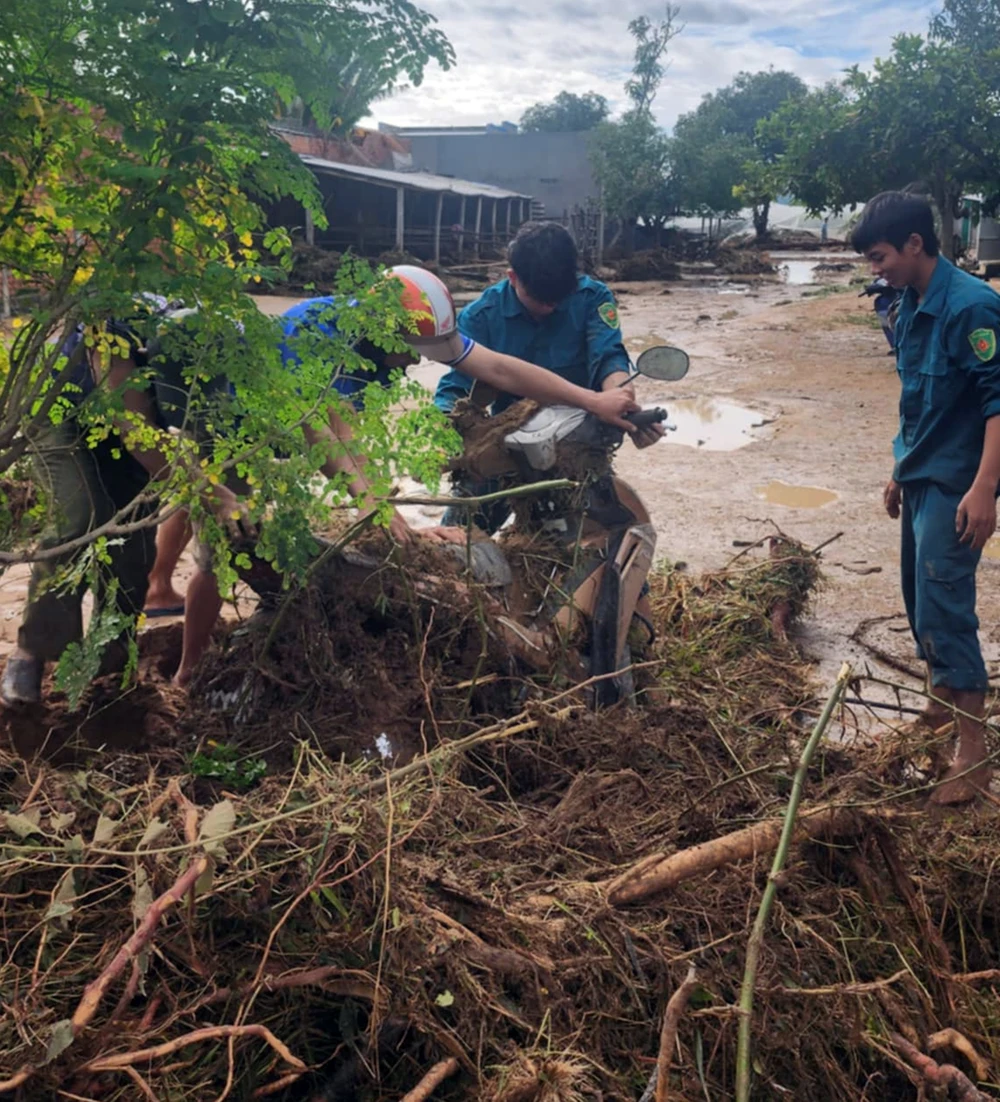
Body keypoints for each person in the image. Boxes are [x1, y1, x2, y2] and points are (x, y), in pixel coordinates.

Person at [170, 266, 645, 686]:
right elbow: (321, 433)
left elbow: (498, 368)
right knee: (222, 546)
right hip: (232, 429)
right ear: (386, 336)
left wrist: (592, 400)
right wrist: (373, 505)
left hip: (297, 426)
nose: (418, 362)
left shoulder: (383, 336)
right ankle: (187, 669)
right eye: (412, 352)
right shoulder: (315, 334)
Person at [0, 304, 239, 705]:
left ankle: (111, 666)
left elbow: (188, 437)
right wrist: (213, 495)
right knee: (80, 518)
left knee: (135, 543)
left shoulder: (217, 343)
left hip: (134, 423)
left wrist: (220, 492)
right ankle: (32, 651)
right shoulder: (114, 323)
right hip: (63, 413)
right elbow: (134, 429)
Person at [852, 190, 1000, 804]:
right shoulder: (909, 304)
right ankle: (940, 708)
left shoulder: (973, 308)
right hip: (921, 478)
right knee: (919, 601)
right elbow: (918, 400)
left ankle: (973, 753)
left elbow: (999, 403)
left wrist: (985, 489)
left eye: (880, 256)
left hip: (958, 486)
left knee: (945, 610)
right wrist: (899, 469)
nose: (876, 269)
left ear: (915, 244)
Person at [434, 221, 663, 531]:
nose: (549, 307)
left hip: (576, 449)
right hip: (506, 451)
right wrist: (444, 429)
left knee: (604, 543)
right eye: (539, 299)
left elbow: (608, 357)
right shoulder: (481, 317)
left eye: (558, 299)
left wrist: (621, 401)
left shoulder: (592, 298)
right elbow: (457, 388)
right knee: (459, 538)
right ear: (512, 277)